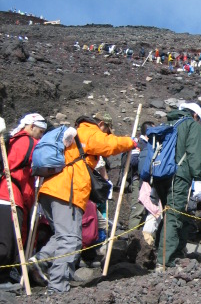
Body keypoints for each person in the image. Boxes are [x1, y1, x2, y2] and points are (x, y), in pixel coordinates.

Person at [33, 116, 136, 294]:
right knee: (71, 240)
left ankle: (40, 262)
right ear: (101, 124)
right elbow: (107, 145)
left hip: (50, 190)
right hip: (67, 191)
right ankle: (58, 287)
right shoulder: (88, 131)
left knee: (62, 235)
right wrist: (131, 142)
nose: (106, 134)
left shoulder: (75, 134)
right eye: (107, 131)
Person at [154, 102, 201, 269]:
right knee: (173, 216)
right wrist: (197, 178)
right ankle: (164, 261)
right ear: (195, 115)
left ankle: (166, 253)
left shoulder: (167, 124)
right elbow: (194, 153)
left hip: (160, 174)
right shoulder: (191, 125)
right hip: (179, 175)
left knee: (168, 214)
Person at [0, 113, 46, 286]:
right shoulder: (28, 142)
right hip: (10, 196)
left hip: (11, 195)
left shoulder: (12, 141)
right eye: (40, 132)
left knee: (9, 242)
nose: (40, 136)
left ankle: (7, 276)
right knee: (7, 243)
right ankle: (4, 277)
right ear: (31, 126)